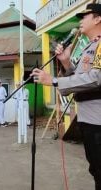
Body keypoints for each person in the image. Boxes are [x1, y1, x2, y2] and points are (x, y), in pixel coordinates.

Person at [31, 3, 101, 189]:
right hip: (89, 120)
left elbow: (96, 78)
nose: (80, 21)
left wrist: (54, 80)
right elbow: (78, 80)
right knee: (96, 170)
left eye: (84, 16)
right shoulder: (90, 48)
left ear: (97, 18)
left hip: (98, 121)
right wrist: (66, 62)